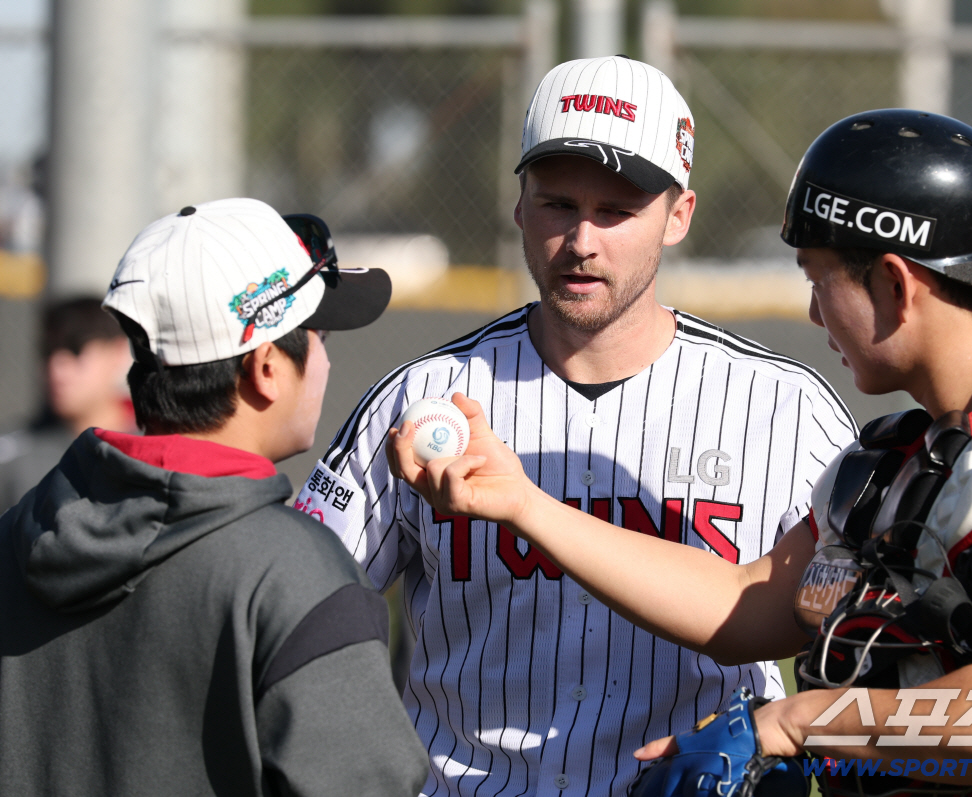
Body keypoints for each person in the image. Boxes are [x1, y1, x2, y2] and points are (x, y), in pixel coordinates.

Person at [389, 110, 972, 797]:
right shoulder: (906, 455)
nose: (810, 309)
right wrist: (522, 503)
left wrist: (798, 720)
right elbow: (744, 603)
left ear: (895, 287)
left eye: (818, 278)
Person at [297, 55, 856, 797]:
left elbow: (860, 641)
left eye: (617, 212)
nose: (582, 240)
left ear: (679, 214)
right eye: (558, 203)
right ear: (520, 204)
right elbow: (293, 617)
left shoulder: (786, 409)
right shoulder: (424, 397)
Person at [0, 198, 428, 796]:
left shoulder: (21, 528)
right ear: (267, 368)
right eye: (320, 334)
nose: (326, 359)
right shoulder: (295, 571)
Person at [0, 296, 137, 512]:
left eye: (76, 350)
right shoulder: (11, 454)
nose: (57, 369)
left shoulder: (156, 443)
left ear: (118, 352)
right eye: (48, 352)